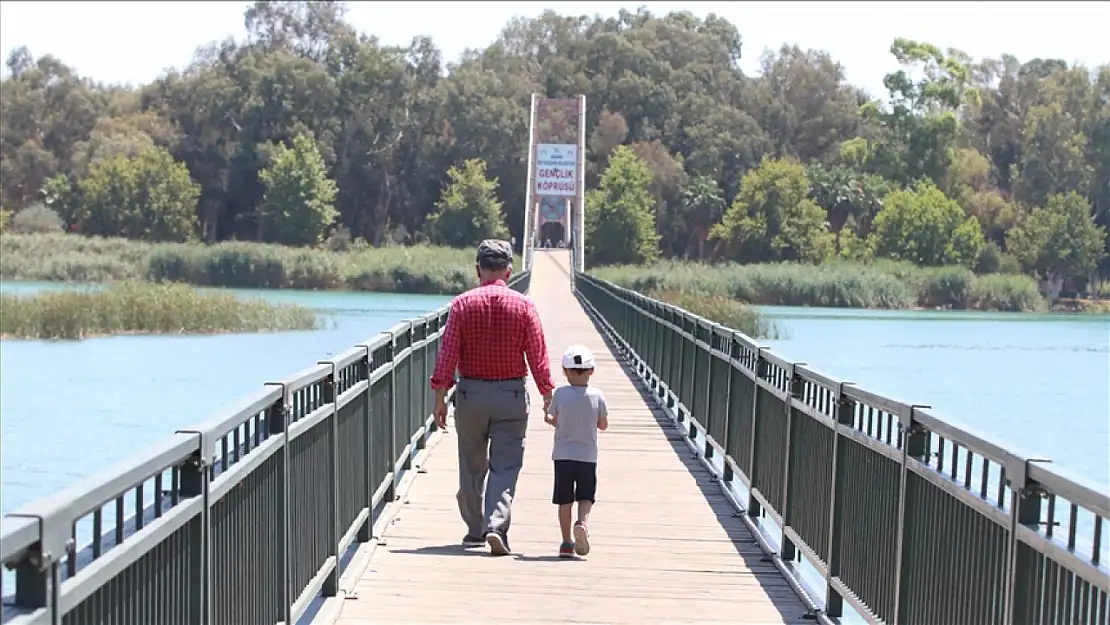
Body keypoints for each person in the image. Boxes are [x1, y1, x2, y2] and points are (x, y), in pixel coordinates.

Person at [430, 239, 555, 556]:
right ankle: (496, 526)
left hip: (471, 394)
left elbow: (447, 355)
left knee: (471, 466)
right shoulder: (524, 306)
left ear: (478, 270)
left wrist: (440, 397)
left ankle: (474, 530)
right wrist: (547, 394)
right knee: (505, 465)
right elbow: (537, 355)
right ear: (510, 272)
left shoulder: (461, 305)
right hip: (510, 394)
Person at [544, 344, 608, 558]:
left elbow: (552, 419)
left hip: (562, 455)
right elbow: (603, 425)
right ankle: (582, 523)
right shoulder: (597, 395)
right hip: (587, 456)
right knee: (585, 496)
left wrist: (547, 413)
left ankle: (565, 542)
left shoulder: (560, 394)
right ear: (591, 371)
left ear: (565, 371)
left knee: (564, 500)